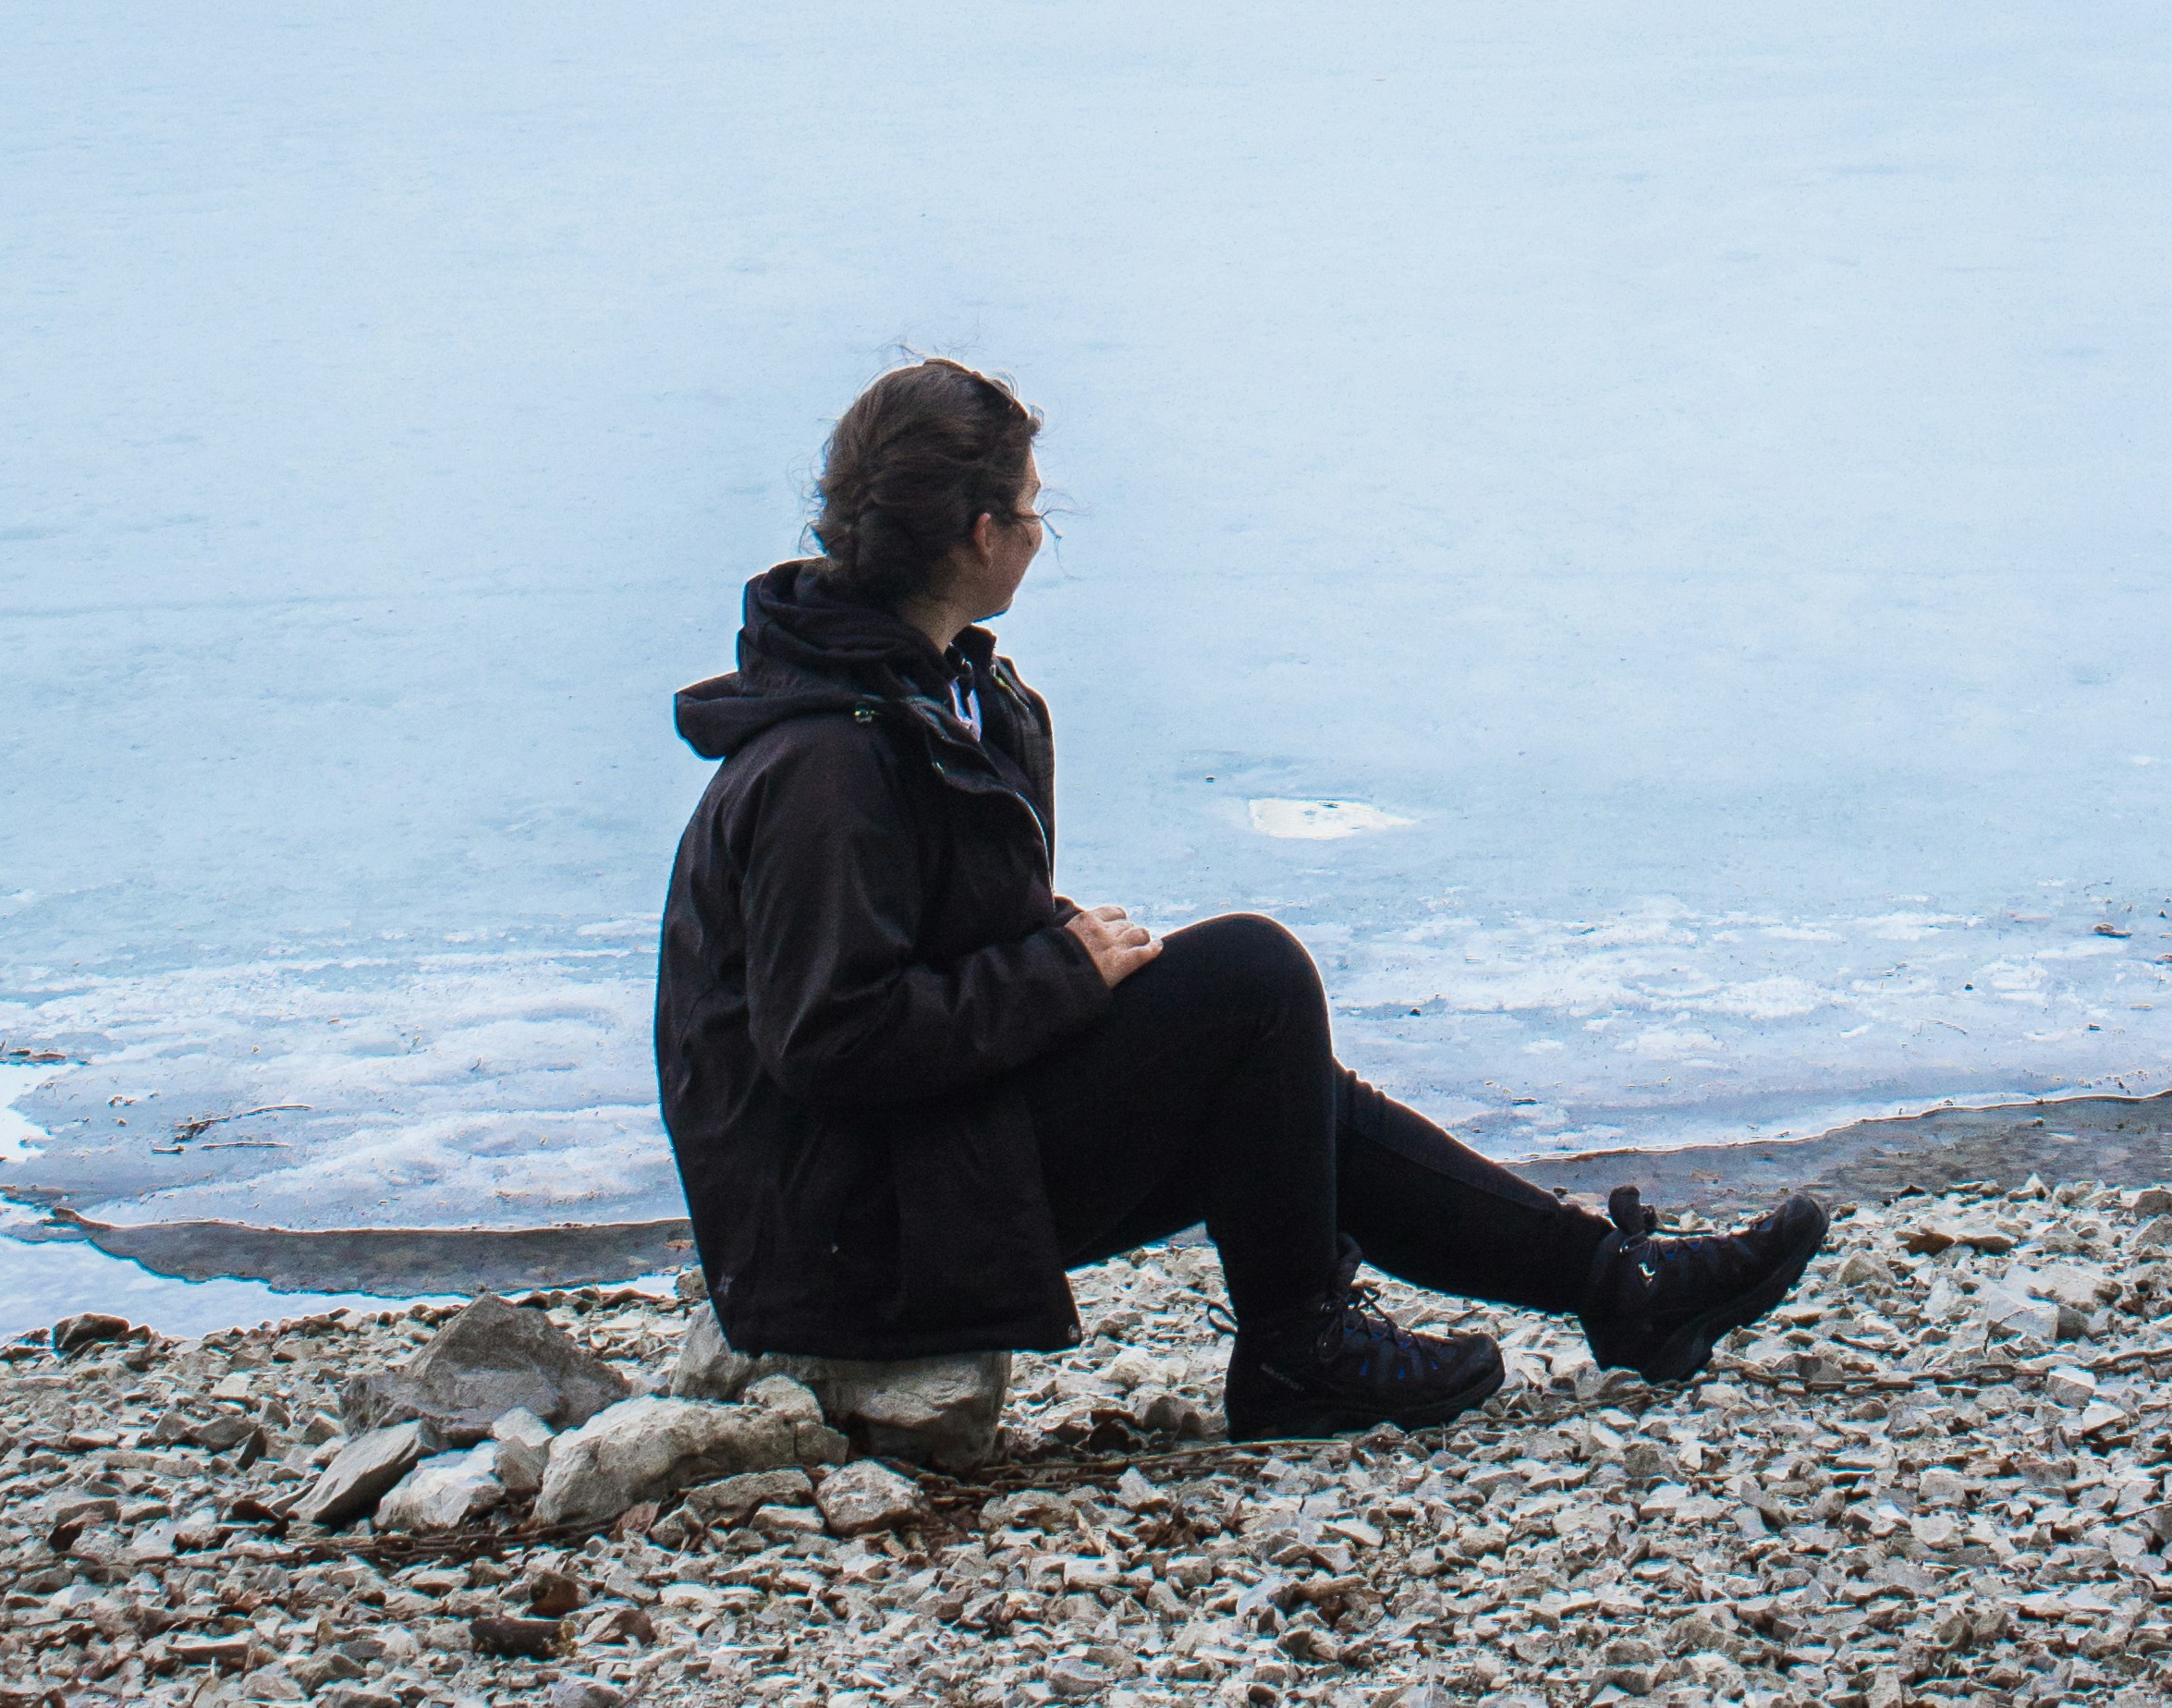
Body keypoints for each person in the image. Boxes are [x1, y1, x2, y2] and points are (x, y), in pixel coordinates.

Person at [656, 359, 1828, 1440]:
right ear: (978, 533)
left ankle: (1613, 1287)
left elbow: (927, 936)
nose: (1037, 528)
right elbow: (832, 1037)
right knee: (1251, 978)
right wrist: (1059, 972)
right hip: (844, 1240)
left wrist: (1046, 942)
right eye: (1030, 507)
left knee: (1264, 1060)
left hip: (912, 1170)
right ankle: (1298, 1345)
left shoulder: (949, 695)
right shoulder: (830, 758)